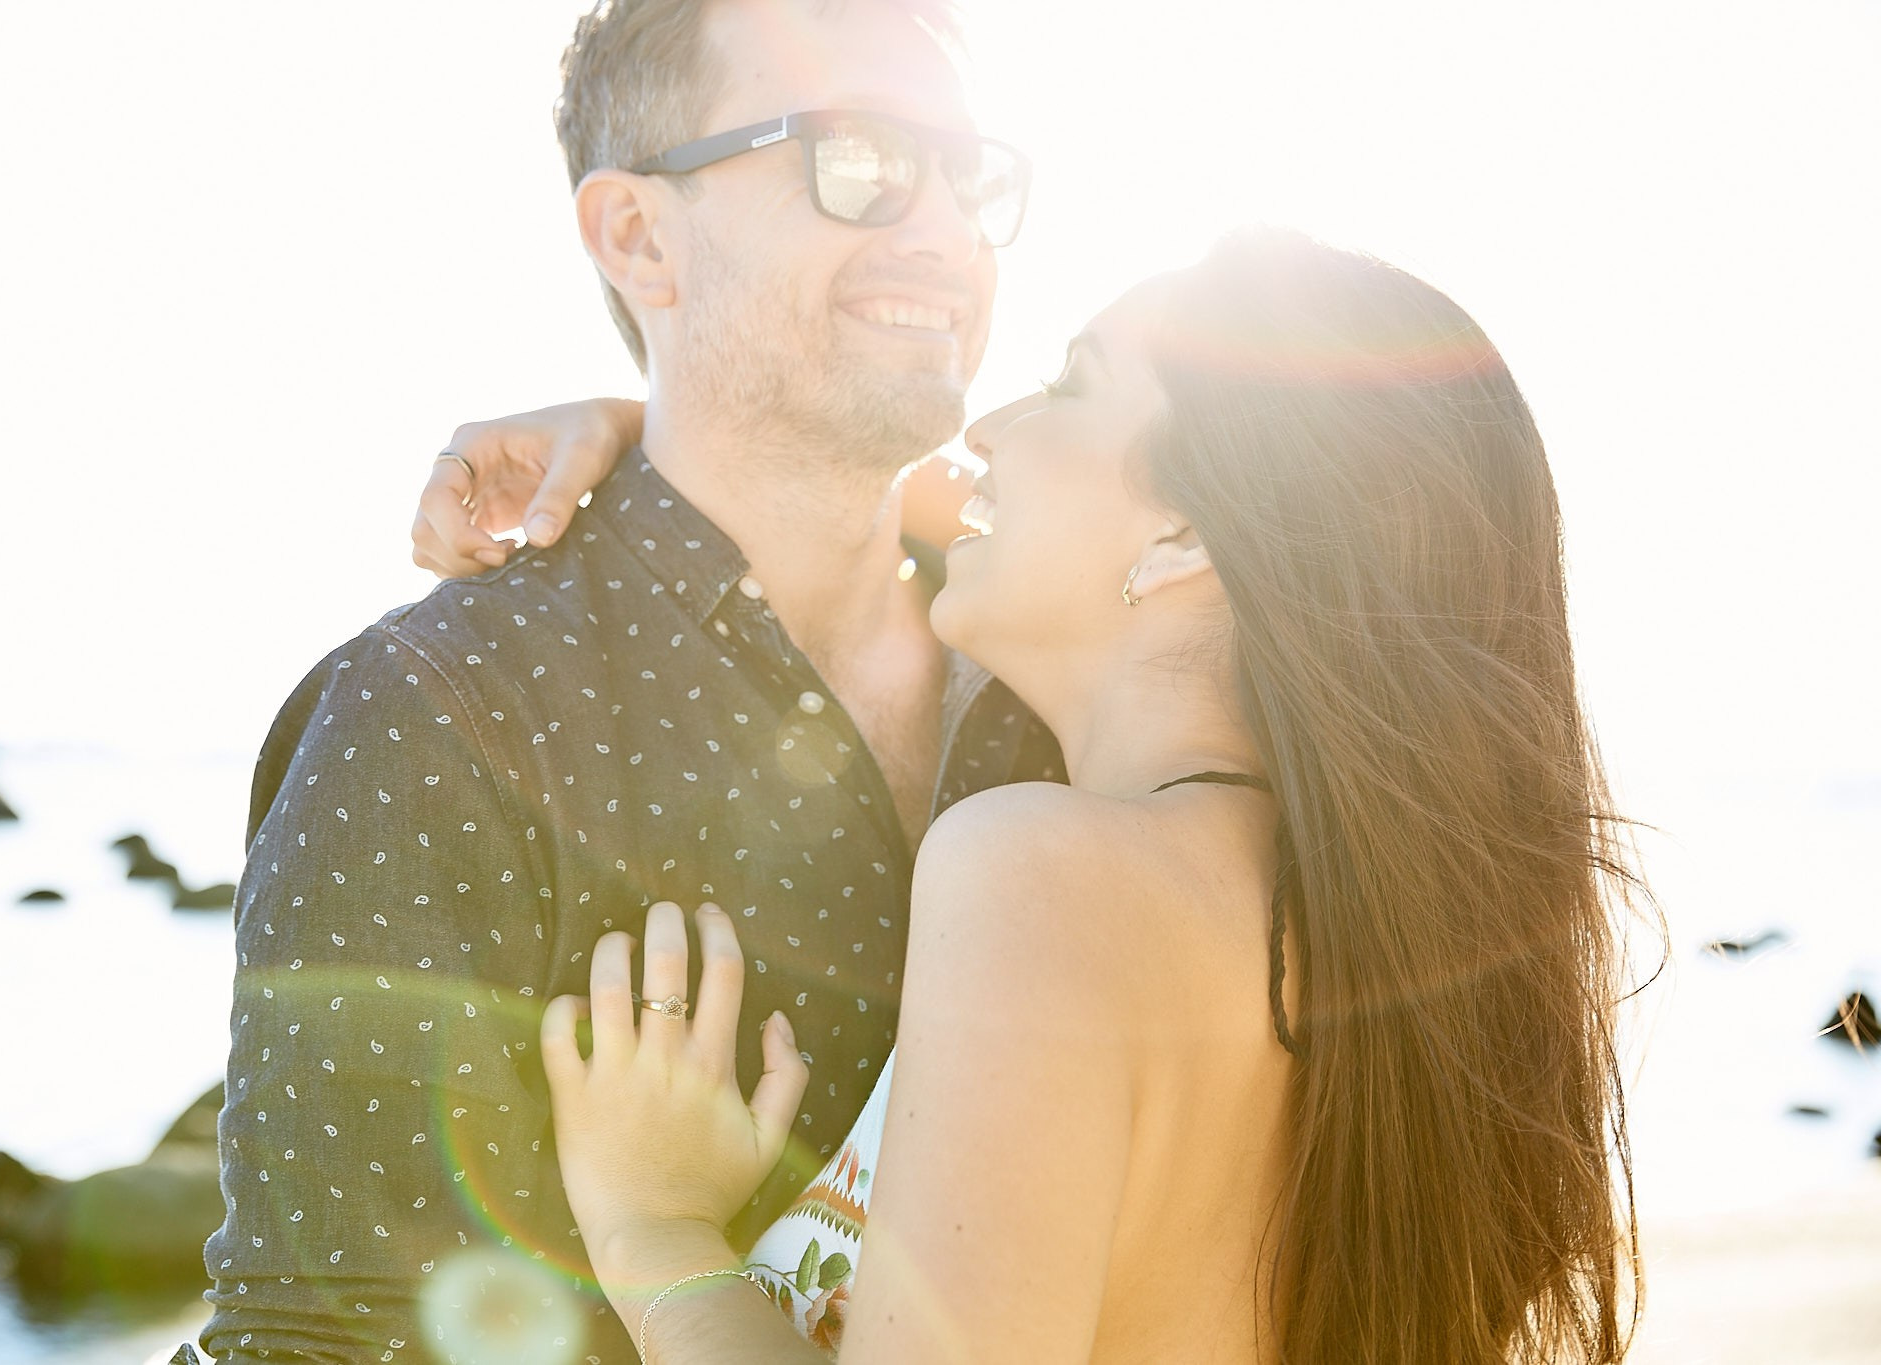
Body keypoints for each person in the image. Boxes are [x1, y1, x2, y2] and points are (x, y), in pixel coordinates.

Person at [426, 231, 1647, 1362]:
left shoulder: (1041, 876)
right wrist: (647, 438)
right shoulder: (1353, 927)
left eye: (1069, 385)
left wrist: (654, 1233)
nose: (990, 425)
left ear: (1181, 536)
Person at [195, 2, 1048, 1362]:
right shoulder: (440, 715)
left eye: (970, 173)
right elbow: (315, 1338)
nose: (946, 230)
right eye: (862, 160)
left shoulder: (1068, 659)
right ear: (640, 236)